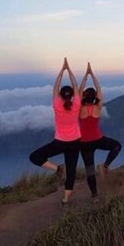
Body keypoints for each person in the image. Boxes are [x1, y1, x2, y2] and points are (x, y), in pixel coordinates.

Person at [29, 57, 81, 206]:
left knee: (35, 157)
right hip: (74, 143)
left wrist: (62, 69)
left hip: (59, 143)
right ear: (72, 96)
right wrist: (69, 70)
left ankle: (57, 169)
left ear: (60, 96)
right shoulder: (76, 104)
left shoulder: (57, 104)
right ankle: (65, 200)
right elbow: (75, 85)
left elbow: (55, 85)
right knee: (71, 172)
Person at [78, 61, 122, 201]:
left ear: (84, 97)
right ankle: (105, 166)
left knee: (89, 170)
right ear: (95, 97)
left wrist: (86, 76)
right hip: (98, 139)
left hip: (84, 143)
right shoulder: (98, 108)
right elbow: (99, 90)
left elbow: (78, 92)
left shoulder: (80, 109)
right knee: (117, 146)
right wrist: (92, 74)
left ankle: (95, 196)